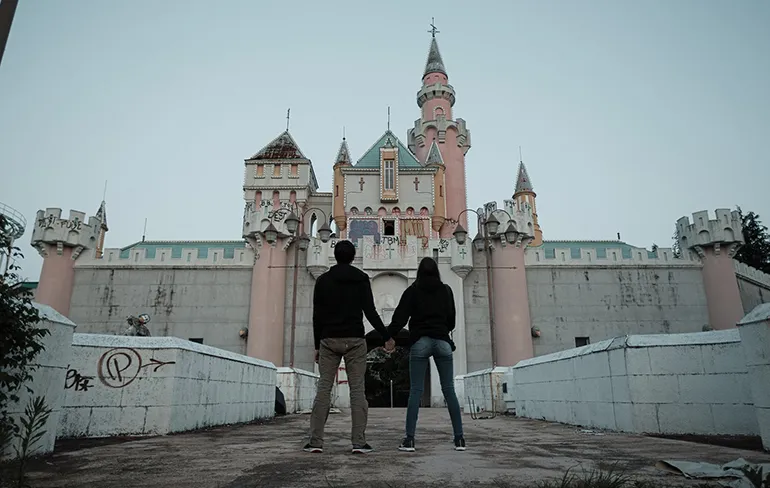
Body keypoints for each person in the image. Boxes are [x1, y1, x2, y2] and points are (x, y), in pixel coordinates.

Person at [304, 240, 395, 454]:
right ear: (353, 257)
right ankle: (359, 442)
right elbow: (370, 311)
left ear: (335, 256)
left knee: (324, 389)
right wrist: (386, 336)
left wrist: (317, 345)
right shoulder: (361, 278)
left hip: (328, 340)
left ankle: (316, 442)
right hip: (355, 339)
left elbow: (317, 315)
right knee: (357, 391)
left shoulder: (323, 280)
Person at [388, 257, 465, 452]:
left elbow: (400, 318)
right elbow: (452, 320)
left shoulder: (413, 290)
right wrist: (441, 328)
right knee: (449, 390)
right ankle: (459, 439)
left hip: (420, 342)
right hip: (443, 342)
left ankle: (410, 440)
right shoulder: (446, 290)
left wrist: (388, 336)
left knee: (416, 390)